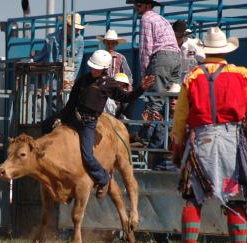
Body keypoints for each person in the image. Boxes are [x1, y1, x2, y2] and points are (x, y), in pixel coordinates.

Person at [171, 27, 247, 243]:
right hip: (231, 141)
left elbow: (181, 117)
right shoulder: (242, 74)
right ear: (226, 50)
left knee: (193, 196)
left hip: (201, 140)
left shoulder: (193, 76)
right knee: (235, 197)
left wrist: (177, 144)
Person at [59, 50, 154, 198]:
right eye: (92, 66)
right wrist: (61, 119)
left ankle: (103, 178)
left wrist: (141, 88)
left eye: (96, 67)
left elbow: (126, 97)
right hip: (73, 118)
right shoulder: (82, 81)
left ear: (104, 68)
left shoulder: (109, 84)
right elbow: (71, 103)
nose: (93, 69)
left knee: (88, 156)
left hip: (88, 123)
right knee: (48, 129)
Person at [127, 0, 181, 117]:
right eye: (135, 4)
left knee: (153, 102)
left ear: (147, 5)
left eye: (138, 4)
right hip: (176, 56)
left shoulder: (146, 18)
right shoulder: (162, 19)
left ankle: (147, 134)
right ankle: (167, 132)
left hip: (162, 57)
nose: (136, 7)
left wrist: (145, 74)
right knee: (171, 98)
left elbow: (146, 48)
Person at [32, 13, 85, 88]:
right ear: (66, 26)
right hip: (49, 76)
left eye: (77, 28)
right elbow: (49, 60)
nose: (76, 31)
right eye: (73, 27)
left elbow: (77, 63)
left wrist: (69, 82)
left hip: (65, 77)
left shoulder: (80, 40)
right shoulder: (51, 39)